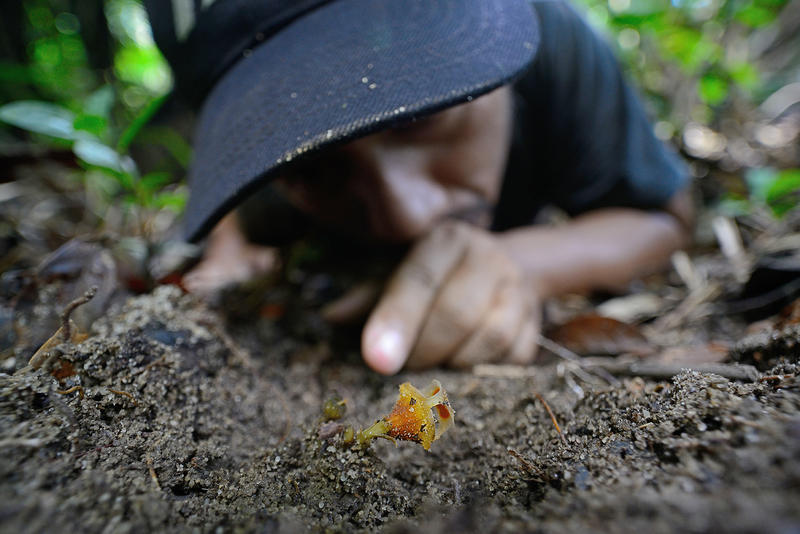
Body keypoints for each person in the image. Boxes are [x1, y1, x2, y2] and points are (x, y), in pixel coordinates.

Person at [144, 0, 693, 375]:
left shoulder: (550, 42)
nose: (407, 215)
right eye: (314, 167)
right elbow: (241, 223)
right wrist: (231, 255)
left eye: (422, 117)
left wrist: (527, 261)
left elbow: (664, 213)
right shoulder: (272, 179)